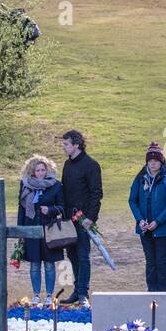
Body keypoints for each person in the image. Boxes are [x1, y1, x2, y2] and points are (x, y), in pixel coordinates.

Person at [128, 142, 166, 292]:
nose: (153, 164)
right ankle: (151, 291)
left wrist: (158, 221)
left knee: (161, 261)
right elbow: (132, 200)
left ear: (161, 161)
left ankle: (164, 291)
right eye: (150, 161)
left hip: (163, 229)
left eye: (156, 161)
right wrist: (140, 220)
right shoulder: (140, 178)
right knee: (150, 262)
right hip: (145, 228)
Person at [60, 129, 103, 306]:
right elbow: (64, 190)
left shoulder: (91, 165)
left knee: (83, 255)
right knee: (72, 255)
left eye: (66, 144)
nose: (64, 147)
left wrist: (90, 218)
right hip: (68, 218)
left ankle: (83, 292)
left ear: (76, 145)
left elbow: (96, 193)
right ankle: (77, 291)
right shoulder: (67, 164)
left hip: (84, 219)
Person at [17, 155, 66, 304]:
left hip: (49, 230)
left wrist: (50, 210)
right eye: (37, 170)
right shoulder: (25, 185)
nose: (40, 172)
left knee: (49, 264)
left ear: (47, 170)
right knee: (35, 264)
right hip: (31, 229)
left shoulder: (56, 186)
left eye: (43, 170)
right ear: (32, 171)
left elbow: (62, 208)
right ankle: (36, 295)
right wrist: (20, 231)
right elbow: (21, 208)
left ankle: (50, 295)